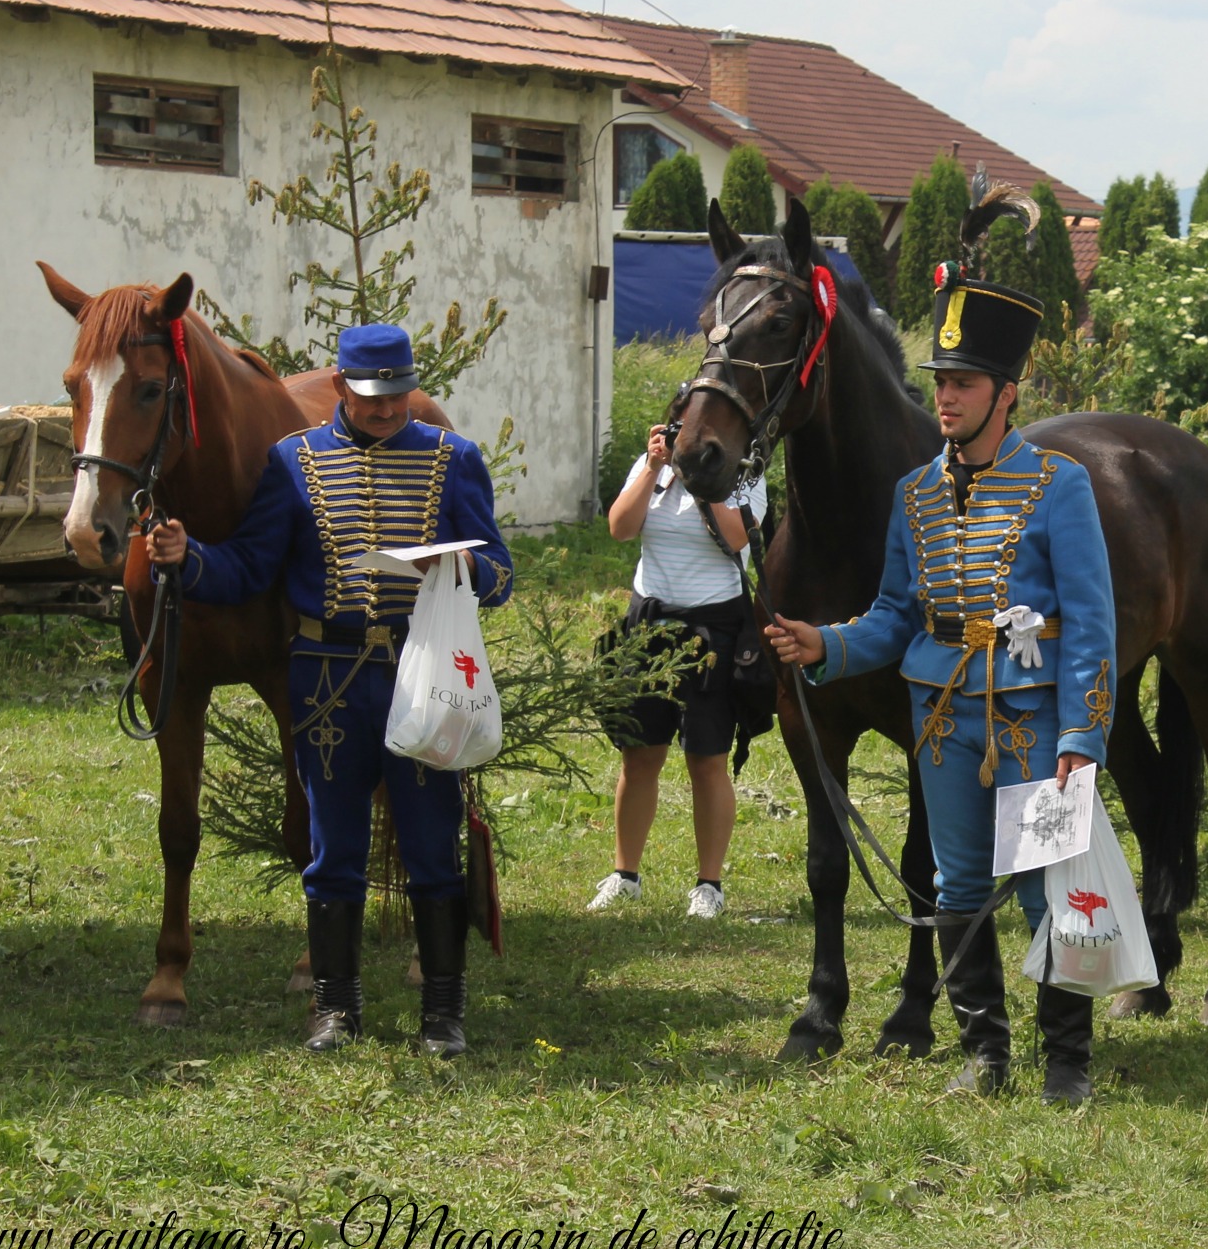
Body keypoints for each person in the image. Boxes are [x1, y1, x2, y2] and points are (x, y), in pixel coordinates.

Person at [763, 255, 1118, 1105]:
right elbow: (893, 616)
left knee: (1047, 884)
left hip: (1030, 718)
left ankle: (1065, 1059)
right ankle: (985, 1053)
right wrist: (826, 645)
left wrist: (1081, 735)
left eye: (962, 382)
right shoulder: (915, 494)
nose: (944, 397)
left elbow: (1092, 627)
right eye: (939, 381)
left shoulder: (1057, 488)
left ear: (1006, 391)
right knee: (958, 885)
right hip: (941, 714)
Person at [146, 324, 513, 1057]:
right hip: (327, 675)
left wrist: (470, 571)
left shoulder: (454, 459)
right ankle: (334, 1009)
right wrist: (189, 562)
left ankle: (443, 1015)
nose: (385, 410)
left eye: (397, 395)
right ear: (340, 386)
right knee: (332, 847)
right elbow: (250, 567)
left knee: (430, 842)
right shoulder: (293, 464)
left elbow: (499, 569)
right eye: (371, 397)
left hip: (423, 670)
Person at [587, 422, 766, 919]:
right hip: (648, 625)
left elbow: (737, 541)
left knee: (707, 759)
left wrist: (702, 483)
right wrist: (652, 468)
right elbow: (620, 527)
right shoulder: (654, 468)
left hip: (715, 628)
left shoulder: (745, 474)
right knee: (638, 755)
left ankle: (709, 886)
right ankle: (625, 875)